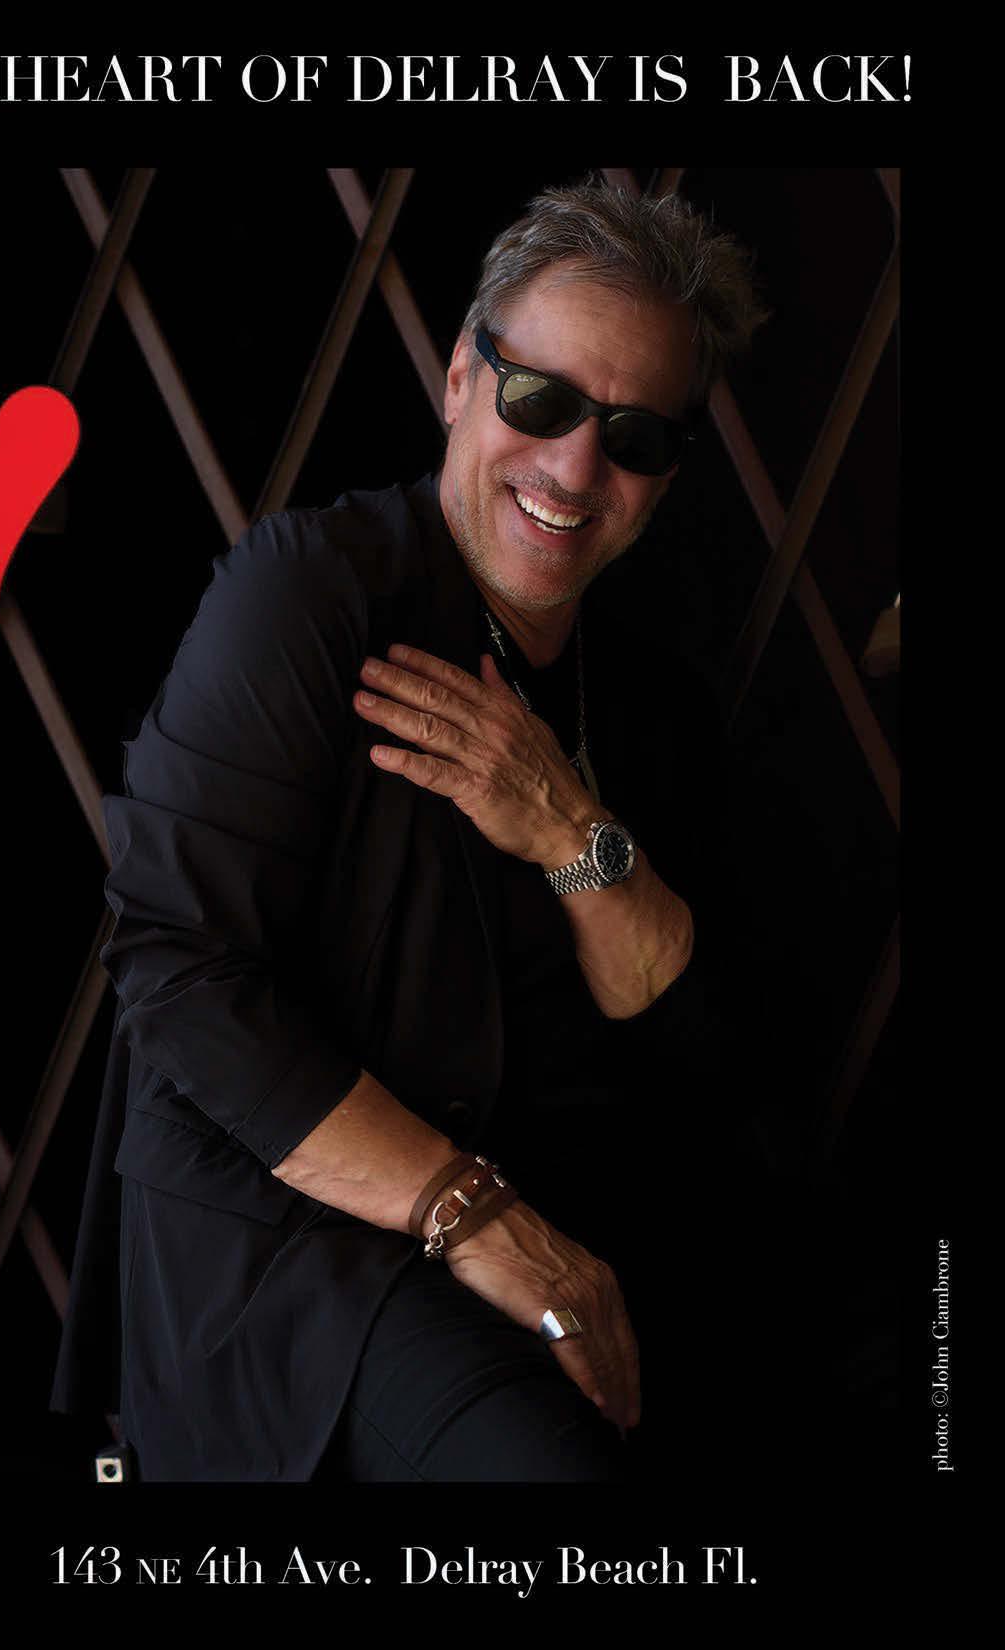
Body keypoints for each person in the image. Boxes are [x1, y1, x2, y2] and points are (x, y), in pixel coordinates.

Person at [51, 178, 770, 1482]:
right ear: (458, 379)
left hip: (563, 1240)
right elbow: (178, 971)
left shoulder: (648, 702)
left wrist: (568, 828)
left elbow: (697, 1058)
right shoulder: (310, 596)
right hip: (297, 1249)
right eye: (539, 400)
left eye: (633, 437)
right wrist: (469, 1211)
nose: (574, 468)